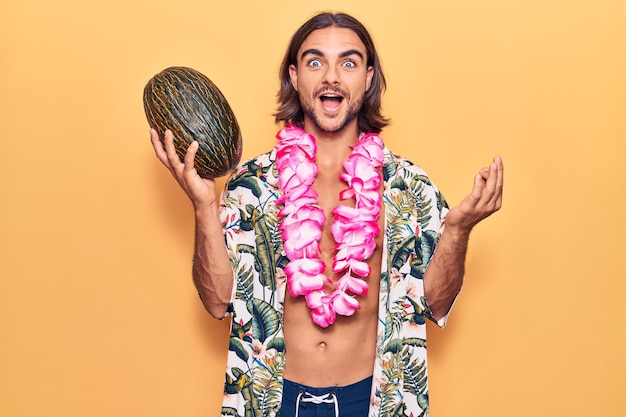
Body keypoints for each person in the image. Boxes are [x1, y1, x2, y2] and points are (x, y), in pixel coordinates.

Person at [150, 11, 503, 417]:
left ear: (368, 77)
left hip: (373, 402)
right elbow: (216, 303)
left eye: (348, 63)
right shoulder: (253, 184)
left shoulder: (409, 186)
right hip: (271, 399)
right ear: (295, 76)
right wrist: (203, 204)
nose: (331, 77)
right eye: (315, 62)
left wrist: (458, 229)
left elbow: (436, 304)